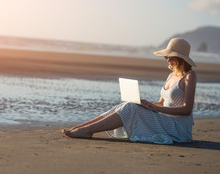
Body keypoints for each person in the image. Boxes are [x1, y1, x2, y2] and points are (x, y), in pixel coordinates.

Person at [62, 38, 197, 144]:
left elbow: (187, 109)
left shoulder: (190, 76)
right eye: (166, 56)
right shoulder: (171, 75)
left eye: (171, 57)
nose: (167, 59)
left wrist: (157, 109)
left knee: (130, 108)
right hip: (165, 119)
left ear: (180, 59)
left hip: (178, 128)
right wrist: (148, 104)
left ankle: (87, 130)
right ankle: (81, 127)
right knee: (125, 105)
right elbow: (162, 103)